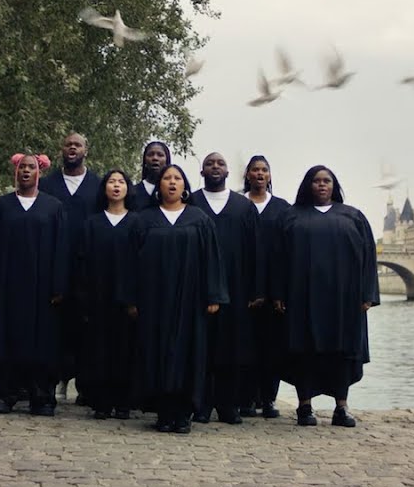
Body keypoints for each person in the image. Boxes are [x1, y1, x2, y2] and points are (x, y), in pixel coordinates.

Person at [121, 164, 228, 433]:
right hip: (154, 300)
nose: (171, 182)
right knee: (155, 352)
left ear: (185, 186)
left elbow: (212, 260)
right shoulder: (144, 220)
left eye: (177, 178)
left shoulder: (199, 219)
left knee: (188, 352)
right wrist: (131, 298)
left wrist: (213, 295)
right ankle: (163, 412)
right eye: (167, 178)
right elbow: (130, 263)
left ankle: (184, 412)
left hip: (189, 300)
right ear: (158, 187)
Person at [275, 164, 379, 428]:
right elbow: (277, 258)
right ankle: (304, 406)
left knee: (342, 353)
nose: (322, 185)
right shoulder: (291, 217)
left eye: (327, 181)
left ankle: (341, 407)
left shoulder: (353, 217)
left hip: (344, 300)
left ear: (334, 186)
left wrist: (368, 294)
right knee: (304, 351)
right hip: (302, 298)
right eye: (317, 181)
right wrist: (277, 293)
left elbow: (368, 258)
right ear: (308, 185)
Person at [0, 153, 70, 416]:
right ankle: (5, 393)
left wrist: (59, 287)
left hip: (42, 292)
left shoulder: (53, 207)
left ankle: (42, 396)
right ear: (15, 172)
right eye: (22, 167)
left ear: (39, 172)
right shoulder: (2, 207)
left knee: (43, 343)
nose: (26, 171)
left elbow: (62, 248)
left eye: (31, 167)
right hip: (8, 288)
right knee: (7, 339)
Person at [188, 152, 260, 424]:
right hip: (198, 289)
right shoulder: (191, 202)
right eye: (209, 163)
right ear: (202, 171)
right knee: (201, 347)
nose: (215, 167)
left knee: (233, 348)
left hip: (237, 289)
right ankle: (202, 404)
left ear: (228, 172)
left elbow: (255, 251)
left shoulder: (243, 207)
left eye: (220, 163)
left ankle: (229, 404)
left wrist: (256, 290)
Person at [38, 133, 101, 405]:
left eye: (77, 145)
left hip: (89, 268)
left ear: (86, 150)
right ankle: (52, 382)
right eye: (68, 144)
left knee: (87, 327)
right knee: (53, 326)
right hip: (54, 265)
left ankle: (86, 386)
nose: (72, 148)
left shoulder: (98, 186)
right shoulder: (48, 185)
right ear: (61, 149)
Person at [75, 169, 138, 420]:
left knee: (125, 349)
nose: (116, 186)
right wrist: (83, 299)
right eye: (111, 182)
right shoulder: (91, 223)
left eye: (121, 182)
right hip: (97, 297)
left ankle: (124, 401)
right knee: (97, 350)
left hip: (127, 300)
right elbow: (81, 264)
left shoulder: (137, 223)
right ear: (104, 189)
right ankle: (100, 401)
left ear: (127, 189)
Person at [243, 154, 290, 419]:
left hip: (274, 292)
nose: (260, 174)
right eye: (255, 170)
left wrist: (279, 291)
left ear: (269, 176)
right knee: (246, 344)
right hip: (245, 289)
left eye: (264, 170)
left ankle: (269, 398)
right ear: (247, 175)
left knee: (272, 347)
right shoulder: (238, 205)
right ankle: (247, 397)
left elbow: (286, 252)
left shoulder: (282, 208)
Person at [128, 141, 171, 211]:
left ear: (167, 161)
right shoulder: (132, 192)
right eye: (150, 154)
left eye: (160, 155)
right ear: (145, 161)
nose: (155, 158)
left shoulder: (174, 193)